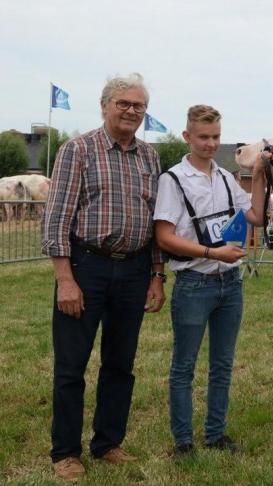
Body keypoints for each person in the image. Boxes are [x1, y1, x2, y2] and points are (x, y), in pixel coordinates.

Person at [41, 73, 166, 481]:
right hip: (86, 267)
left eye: (139, 106)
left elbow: (154, 222)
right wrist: (65, 279)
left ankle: (108, 442)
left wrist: (156, 275)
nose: (132, 111)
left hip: (133, 269)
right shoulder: (78, 150)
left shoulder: (149, 157)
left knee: (120, 363)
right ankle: (65, 451)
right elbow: (57, 218)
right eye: (124, 104)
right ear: (105, 105)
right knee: (71, 365)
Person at [153, 105, 267, 458]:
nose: (210, 143)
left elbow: (256, 216)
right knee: (183, 365)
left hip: (229, 283)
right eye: (203, 137)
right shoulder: (173, 180)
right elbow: (164, 236)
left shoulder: (225, 177)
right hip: (193, 284)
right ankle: (183, 441)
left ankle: (215, 434)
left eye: (216, 136)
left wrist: (260, 174)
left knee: (222, 364)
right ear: (187, 136)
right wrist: (210, 252)